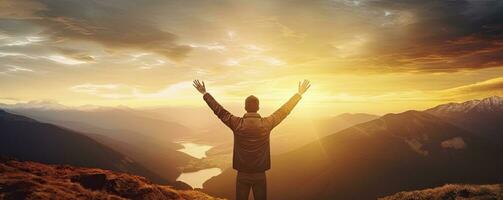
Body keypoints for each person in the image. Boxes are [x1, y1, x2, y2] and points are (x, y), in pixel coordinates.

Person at [193, 79, 310, 200]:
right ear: (258, 107)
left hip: (242, 175)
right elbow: (284, 111)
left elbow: (219, 111)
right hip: (260, 175)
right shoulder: (267, 124)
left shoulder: (236, 123)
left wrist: (205, 94)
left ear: (245, 107)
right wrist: (299, 94)